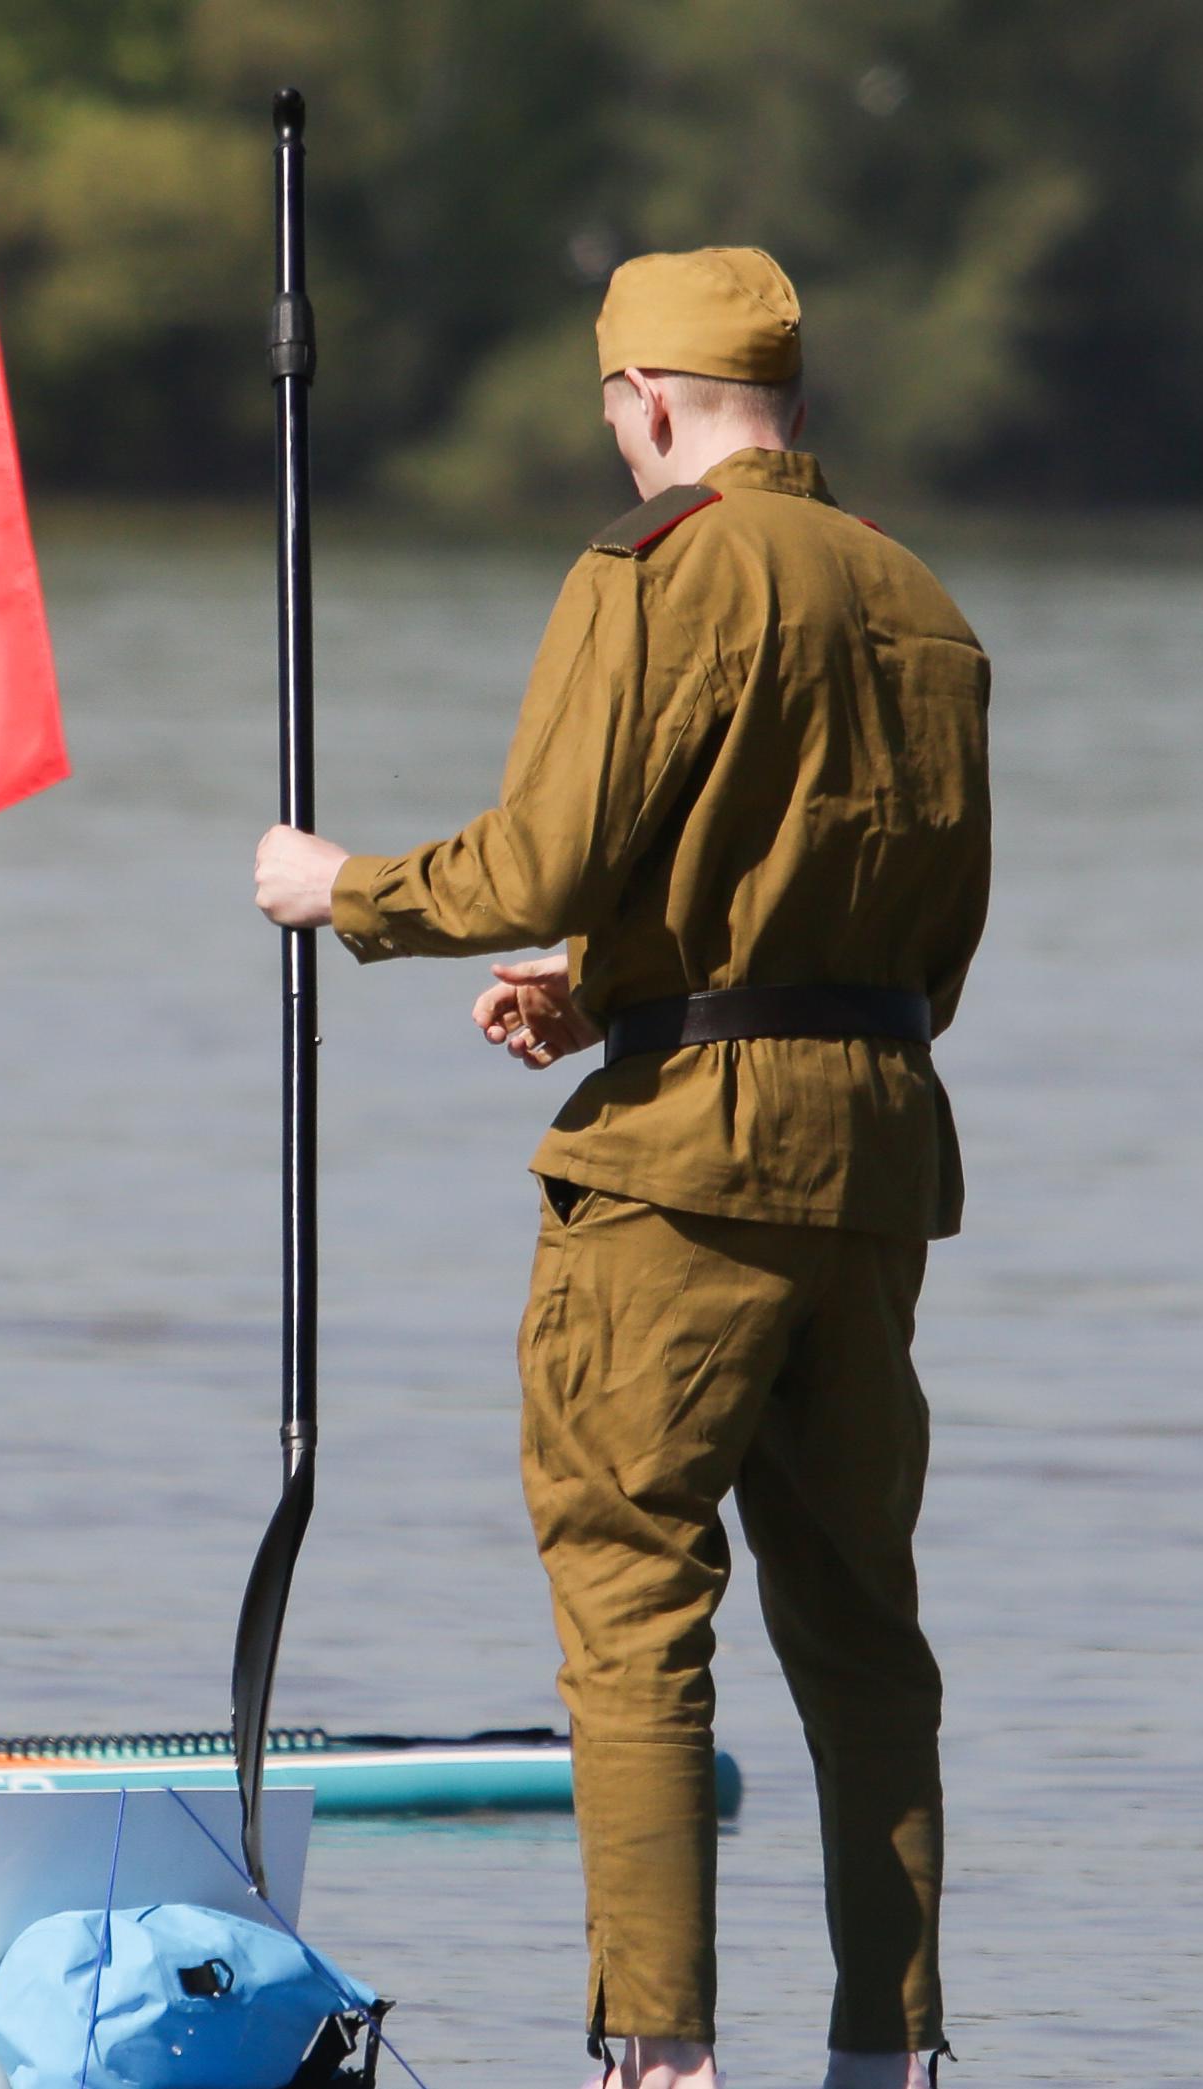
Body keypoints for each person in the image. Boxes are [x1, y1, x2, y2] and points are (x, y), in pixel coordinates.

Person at [246, 248, 990, 2089]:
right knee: (866, 1638)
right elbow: (921, 948)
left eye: (611, 411)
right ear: (786, 402)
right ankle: (886, 2060)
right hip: (876, 1165)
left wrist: (337, 888)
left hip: (681, 1184)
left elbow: (544, 853)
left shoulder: (649, 569)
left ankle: (657, 2063)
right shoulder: (923, 600)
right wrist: (610, 994)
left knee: (637, 1603)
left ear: (648, 401)